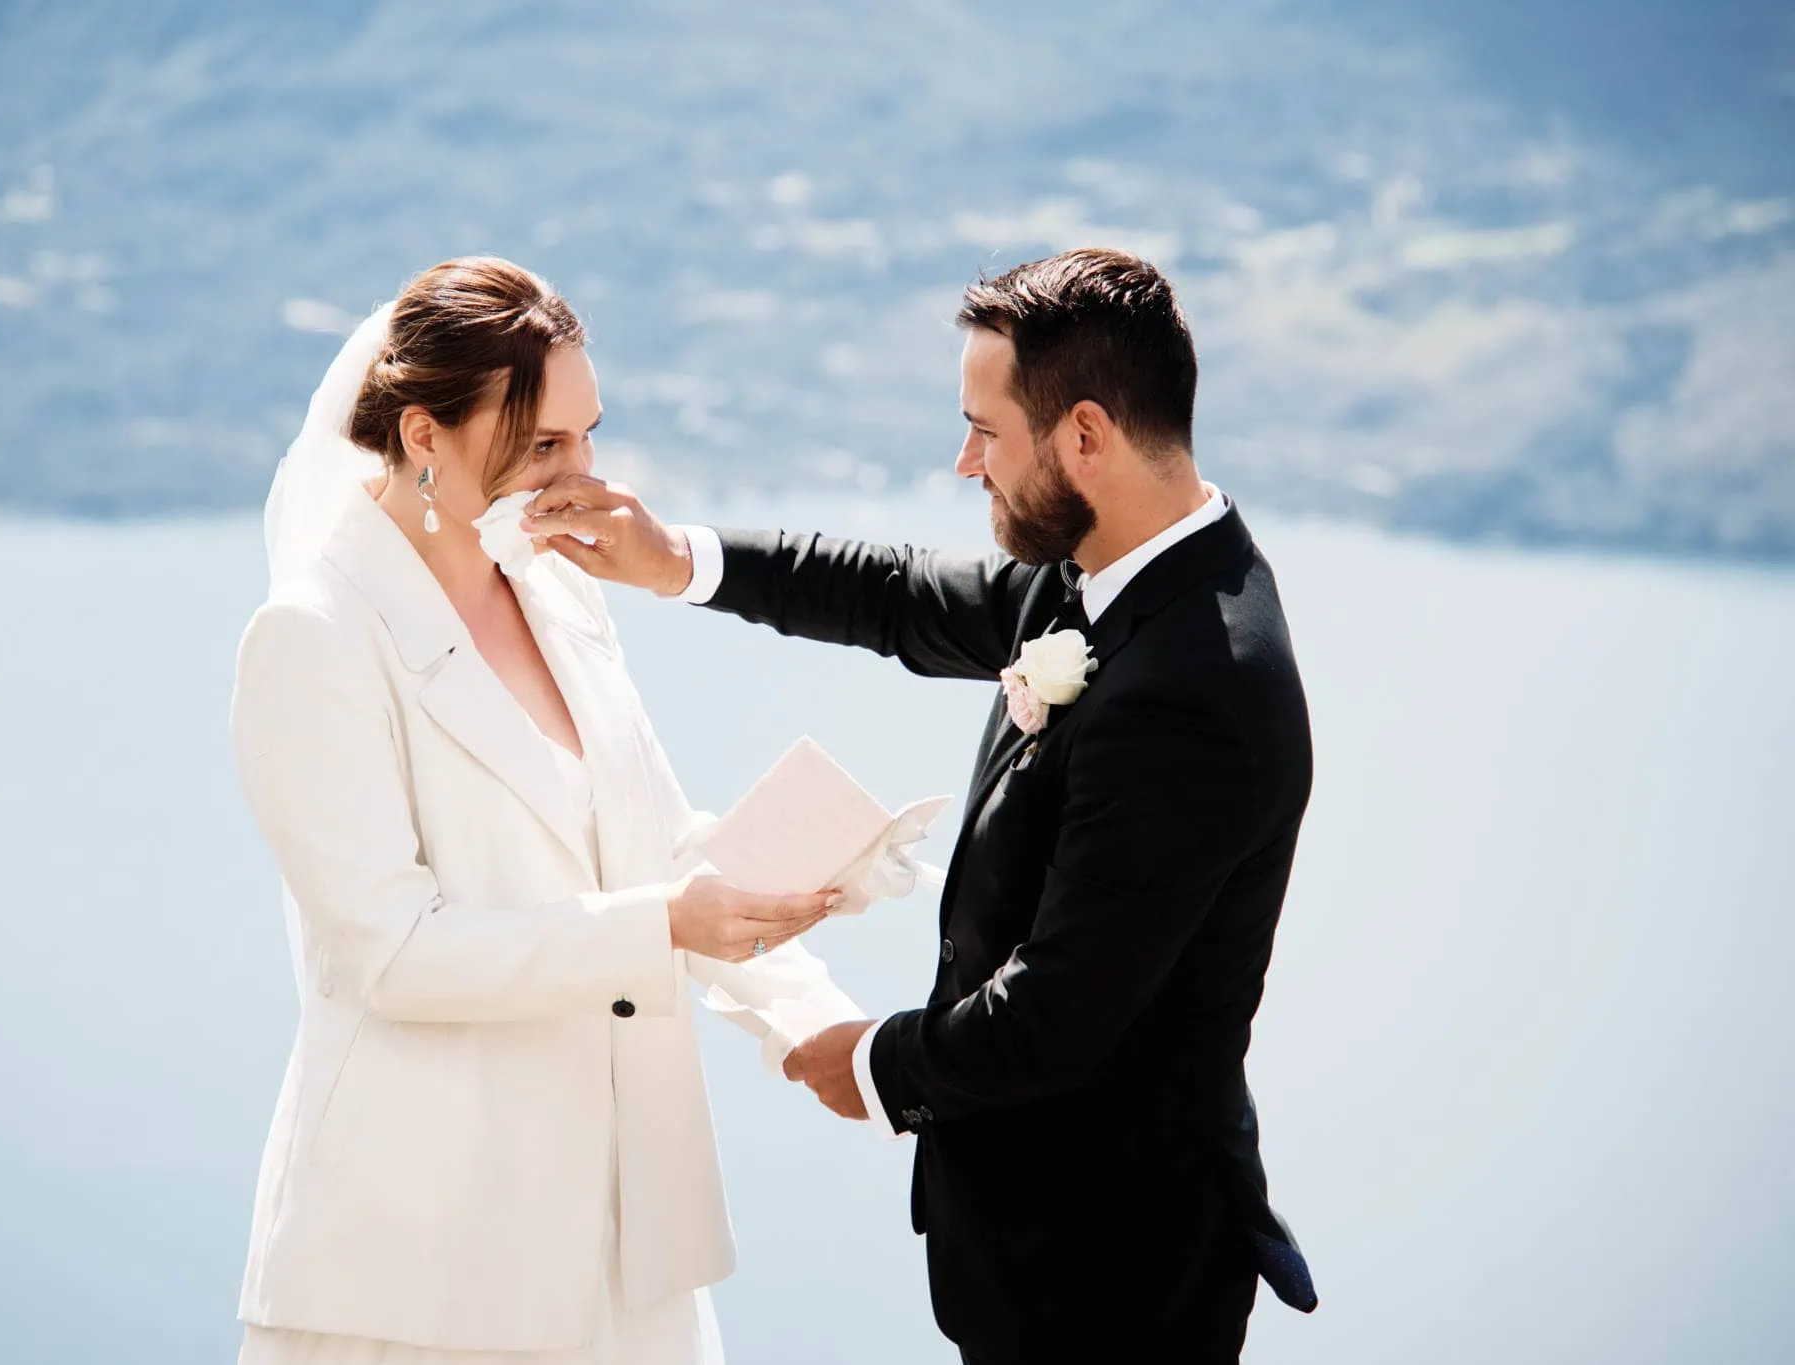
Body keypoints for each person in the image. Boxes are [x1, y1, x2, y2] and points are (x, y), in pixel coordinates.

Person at [524, 248, 1319, 1363]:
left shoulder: (1198, 685)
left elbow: (1057, 1013)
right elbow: (897, 593)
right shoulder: (1110, 568)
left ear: (1083, 436)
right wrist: (674, 562)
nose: (962, 462)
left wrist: (863, 1065)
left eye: (984, 432)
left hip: (1115, 1273)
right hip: (1030, 1252)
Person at [228, 256, 868, 1365]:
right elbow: (393, 952)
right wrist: (664, 924)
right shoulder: (313, 636)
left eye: (586, 436)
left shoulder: (557, 584)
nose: (582, 476)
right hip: (420, 1270)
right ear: (423, 436)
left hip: (628, 1253)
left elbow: (658, 844)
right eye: (542, 445)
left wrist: (808, 1021)